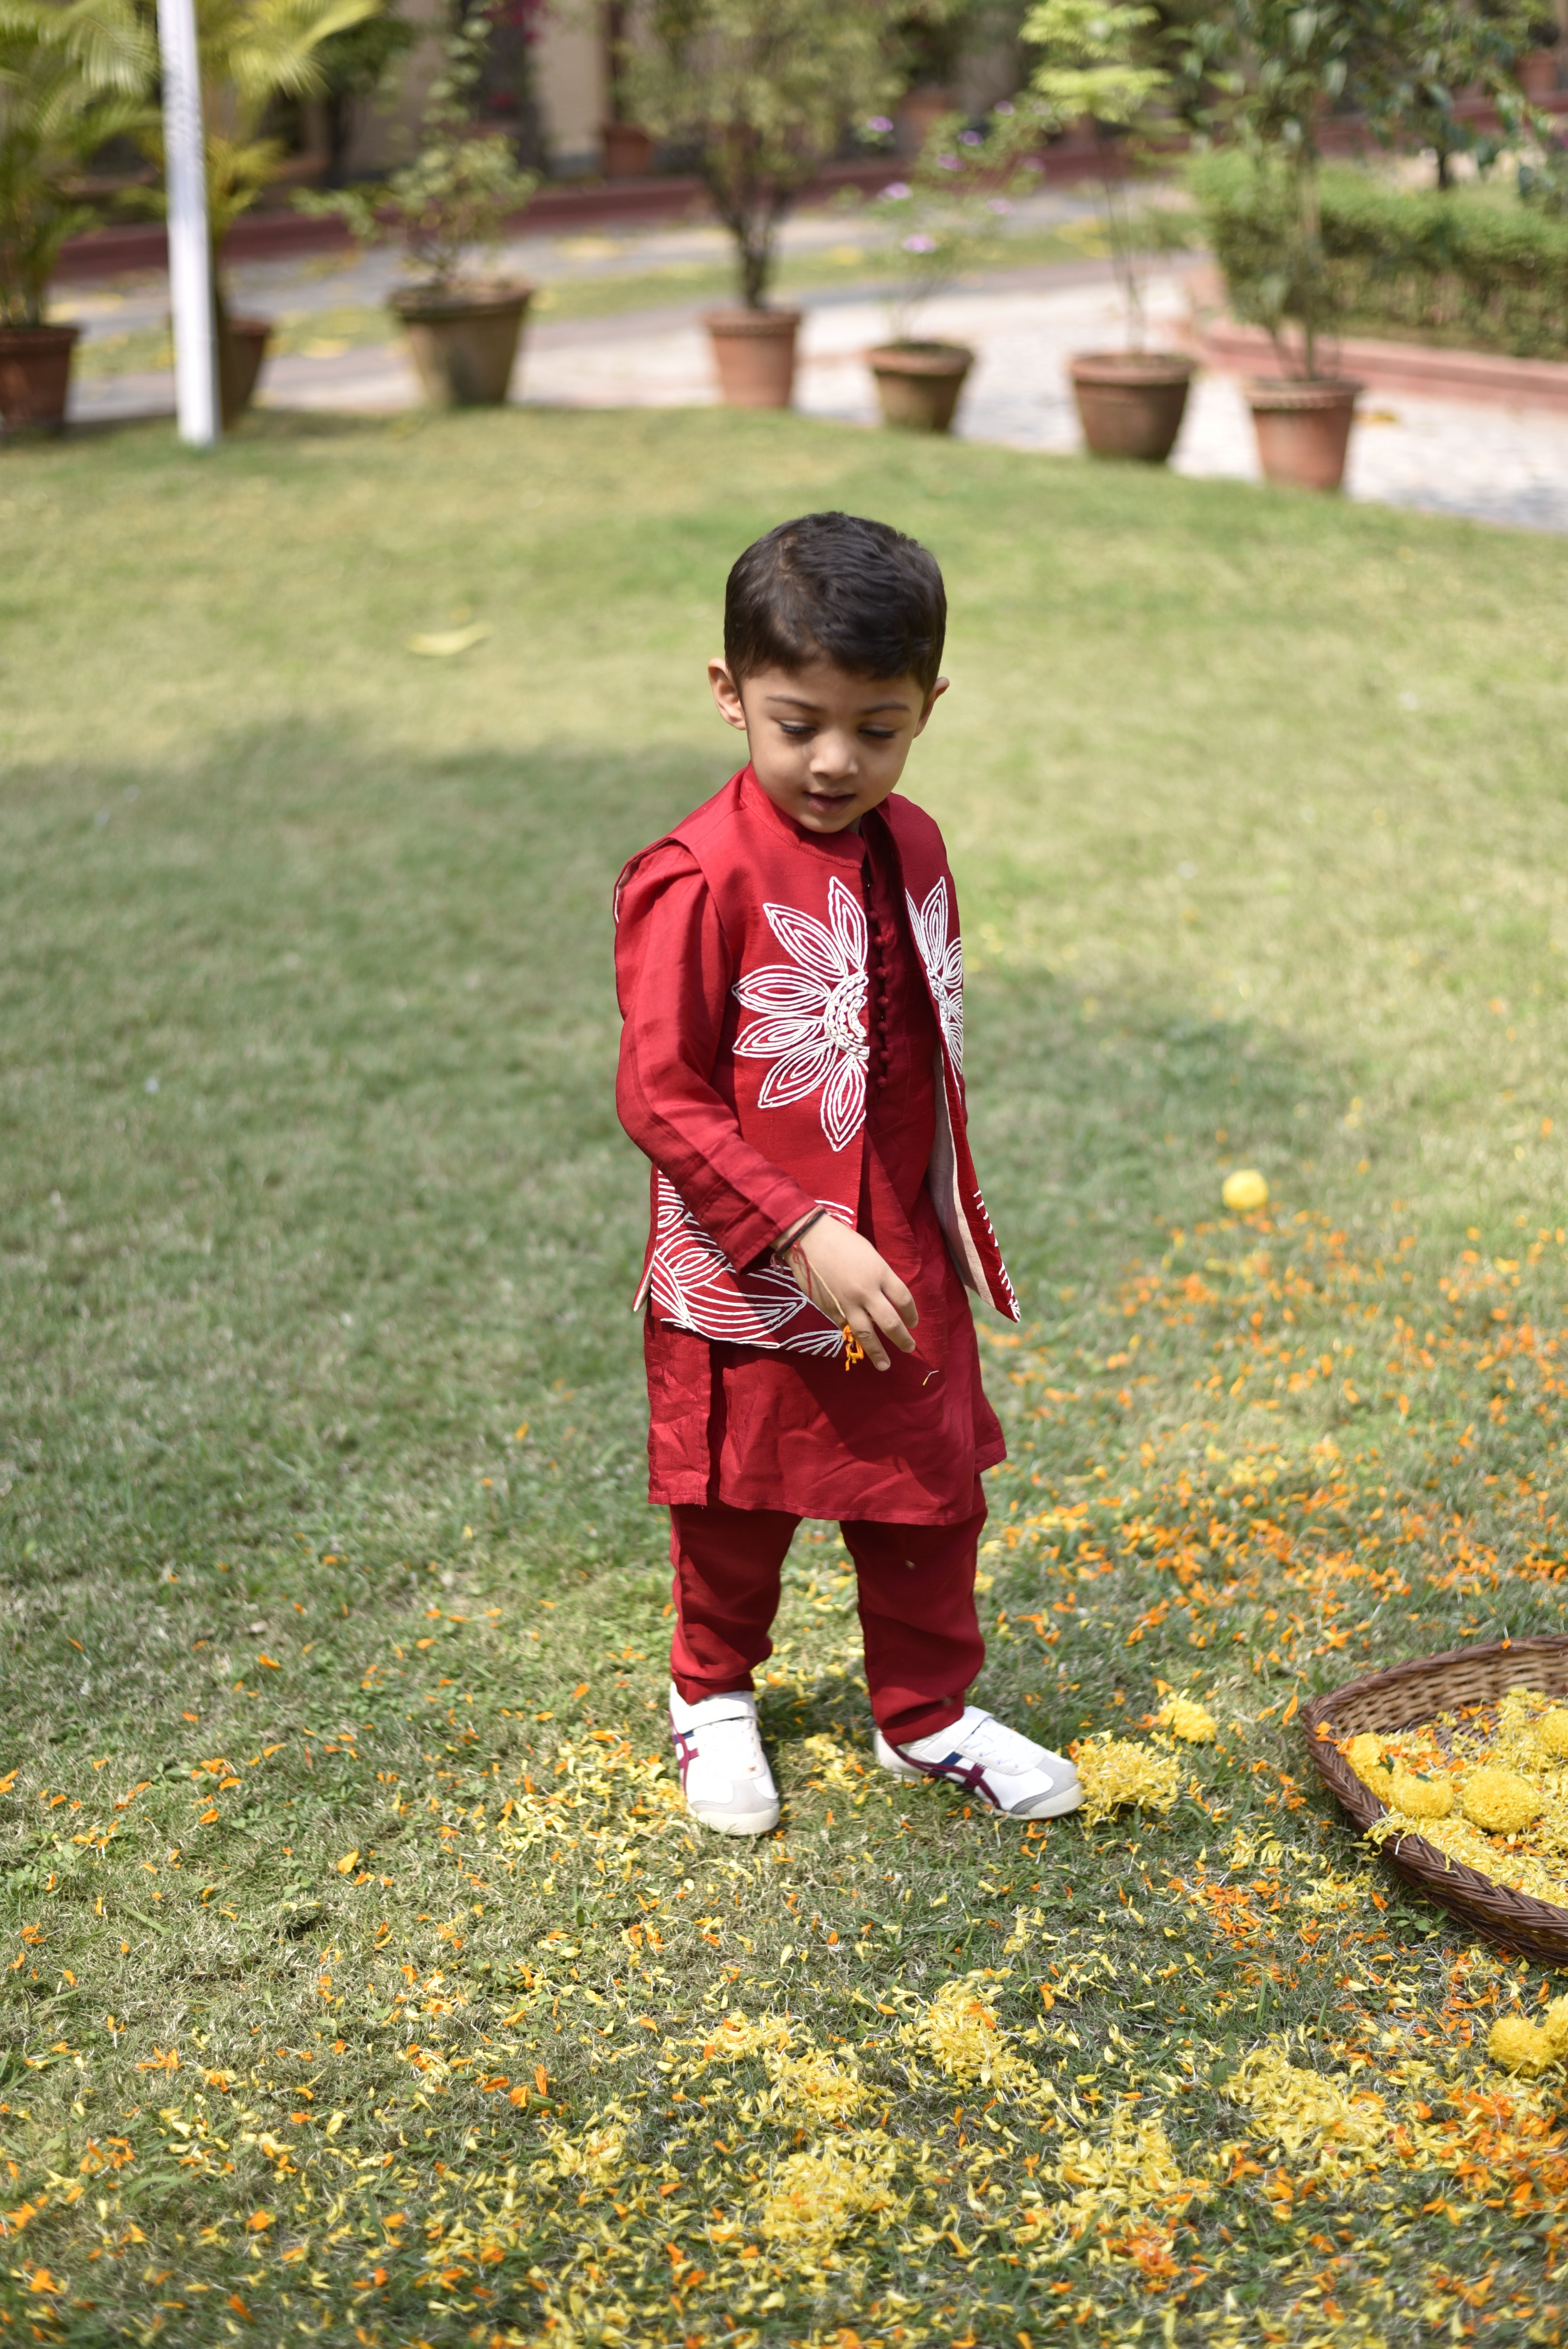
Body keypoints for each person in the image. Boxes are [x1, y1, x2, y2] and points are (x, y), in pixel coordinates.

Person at [613, 511, 1082, 1836]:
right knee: (738, 1493)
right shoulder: (693, 879)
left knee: (930, 1487)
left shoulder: (916, 842)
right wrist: (796, 1226)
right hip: (753, 1258)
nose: (836, 761)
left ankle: (926, 1715)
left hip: (898, 1238)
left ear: (930, 706)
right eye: (797, 722)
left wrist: (903, 1218)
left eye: (877, 728)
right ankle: (711, 1697)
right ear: (729, 697)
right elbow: (657, 1090)